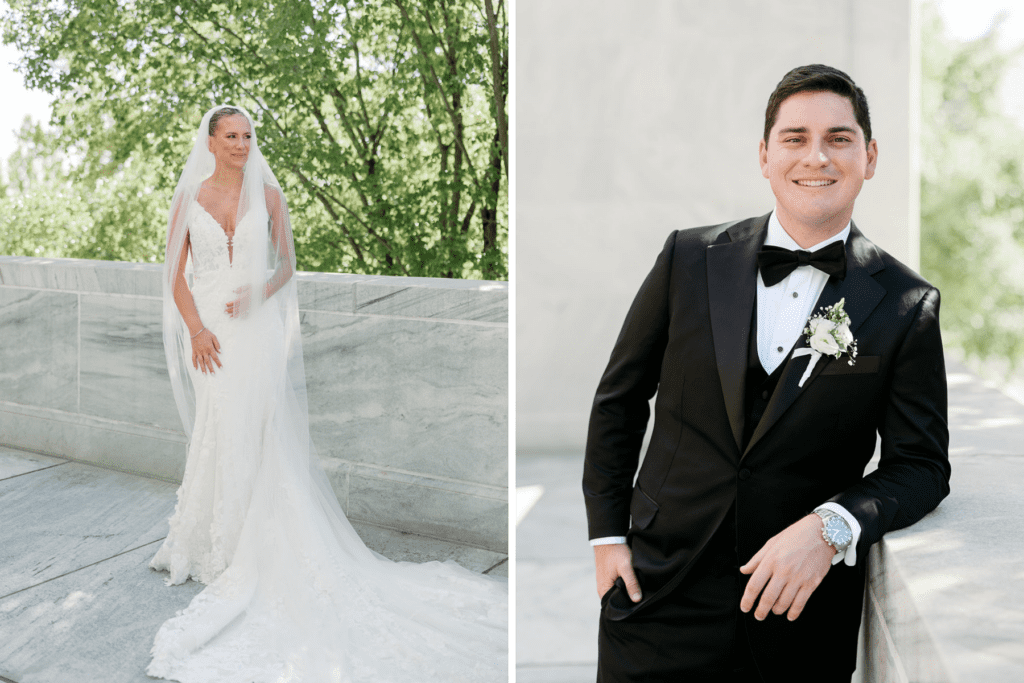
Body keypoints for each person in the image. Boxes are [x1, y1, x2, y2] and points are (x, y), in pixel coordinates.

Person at [582, 65, 950, 682]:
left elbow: (922, 466)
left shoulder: (906, 305)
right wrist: (606, 537)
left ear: (870, 156)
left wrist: (832, 527)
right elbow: (619, 398)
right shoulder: (688, 257)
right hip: (656, 590)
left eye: (839, 138)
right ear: (765, 155)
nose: (817, 156)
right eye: (794, 137)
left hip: (799, 613)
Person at [148, 104, 507, 683]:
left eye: (247, 136)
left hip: (254, 325)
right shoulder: (189, 197)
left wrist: (261, 293)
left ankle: (254, 542)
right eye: (231, 136)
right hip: (208, 328)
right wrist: (196, 329)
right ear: (210, 142)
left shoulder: (268, 194)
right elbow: (173, 276)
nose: (242, 144)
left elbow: (287, 264)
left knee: (256, 426)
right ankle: (210, 537)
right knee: (219, 423)